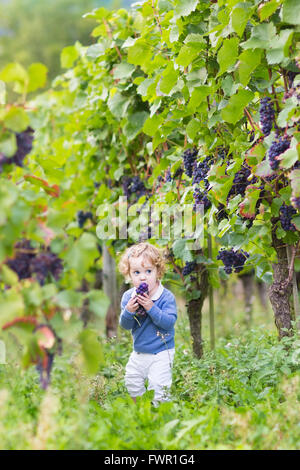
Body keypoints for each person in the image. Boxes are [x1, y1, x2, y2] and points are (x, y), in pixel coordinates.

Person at [118, 242, 177, 407]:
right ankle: (142, 410)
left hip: (161, 351)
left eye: (148, 271)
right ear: (129, 274)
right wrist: (129, 311)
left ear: (158, 272)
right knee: (132, 382)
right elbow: (125, 325)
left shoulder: (166, 297)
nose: (143, 277)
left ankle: (159, 413)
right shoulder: (128, 297)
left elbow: (169, 323)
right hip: (139, 352)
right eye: (136, 272)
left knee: (159, 386)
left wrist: (151, 307)